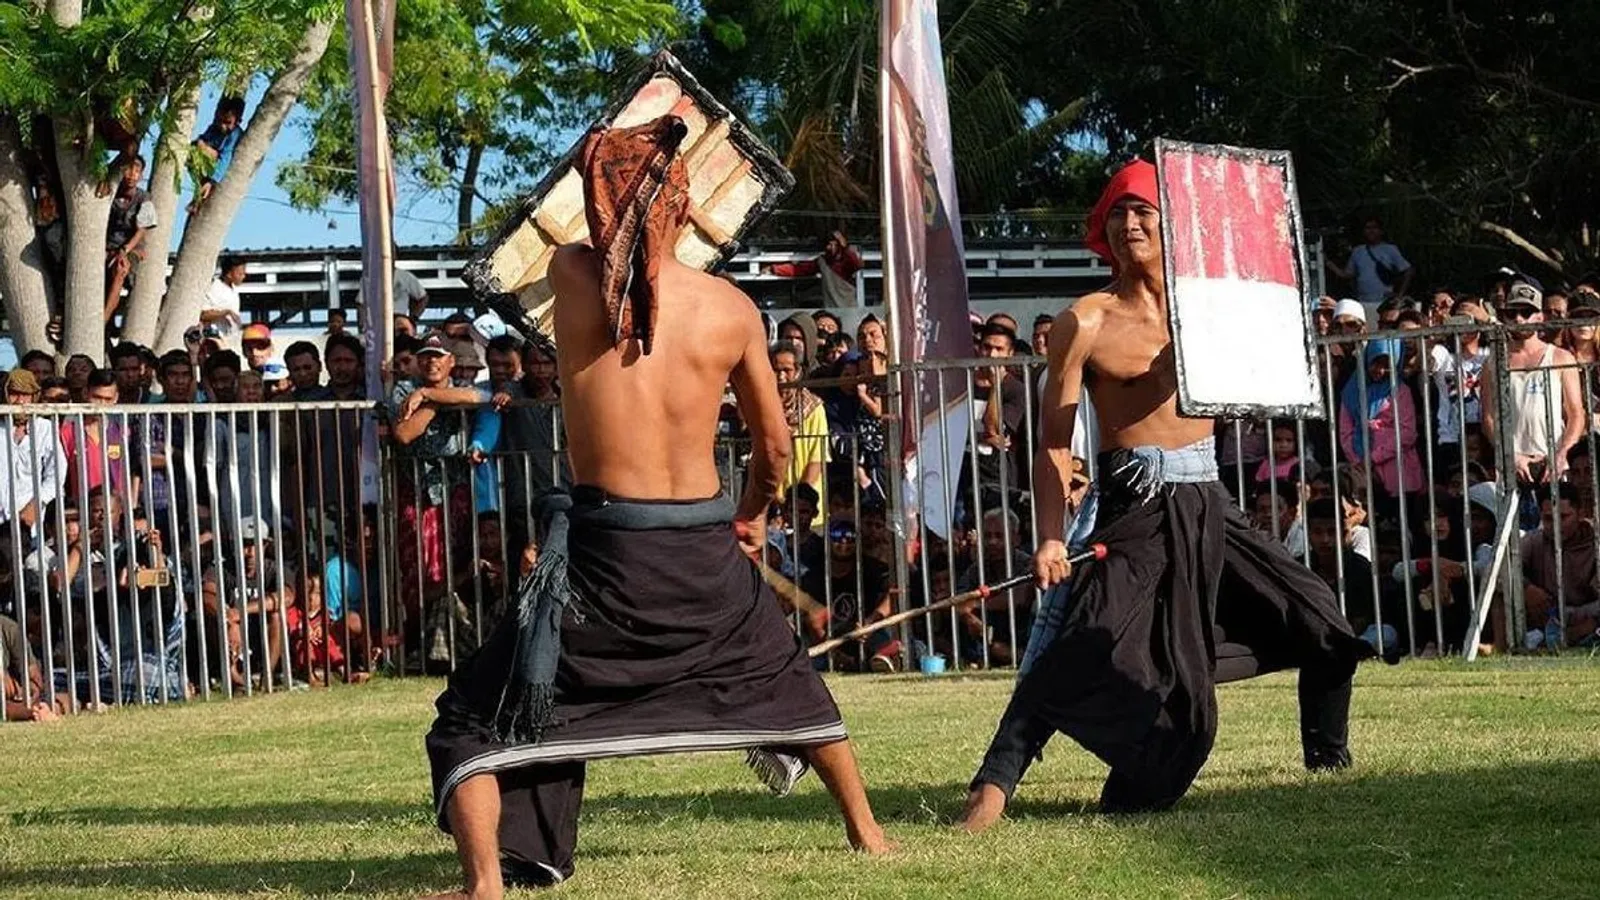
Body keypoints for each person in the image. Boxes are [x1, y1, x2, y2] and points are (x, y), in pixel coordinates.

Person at [423, 115, 889, 900]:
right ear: (680, 208)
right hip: (700, 540)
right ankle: (867, 833)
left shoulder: (571, 276)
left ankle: (484, 886)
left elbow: (563, 225)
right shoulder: (732, 308)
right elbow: (774, 449)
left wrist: (612, 176)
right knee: (786, 679)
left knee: (473, 713)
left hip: (610, 549)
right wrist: (748, 515)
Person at [958, 159, 1375, 833]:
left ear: (1173, 224)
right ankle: (994, 785)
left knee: (1320, 617)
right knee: (1086, 643)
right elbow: (1053, 444)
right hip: (1134, 504)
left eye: (1144, 211)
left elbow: (1269, 374)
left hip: (1209, 500)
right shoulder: (1083, 321)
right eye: (1117, 212)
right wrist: (1049, 535)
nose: (1129, 224)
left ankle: (1327, 760)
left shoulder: (1211, 310)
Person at [102, 154, 156, 324]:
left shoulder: (144, 198)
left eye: (137, 171)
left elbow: (142, 230)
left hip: (131, 249)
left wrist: (124, 251)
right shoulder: (110, 193)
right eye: (128, 170)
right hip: (107, 247)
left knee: (120, 271)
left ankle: (104, 319)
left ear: (141, 175)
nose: (132, 174)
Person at [1325, 217, 1413, 306]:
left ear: (1381, 231)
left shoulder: (1390, 249)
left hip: (1385, 302)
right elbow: (1346, 274)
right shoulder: (1358, 251)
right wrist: (1327, 262)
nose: (1371, 231)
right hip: (1363, 302)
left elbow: (1408, 270)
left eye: (1374, 227)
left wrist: (1400, 295)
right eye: (1368, 228)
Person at [764, 230, 864, 308]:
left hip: (850, 308)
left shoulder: (847, 260)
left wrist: (846, 247)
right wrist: (774, 269)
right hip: (831, 309)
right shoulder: (822, 262)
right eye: (829, 244)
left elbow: (858, 264)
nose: (831, 247)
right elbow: (798, 269)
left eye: (834, 244)